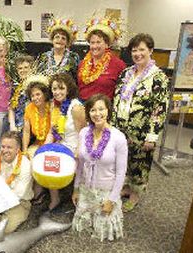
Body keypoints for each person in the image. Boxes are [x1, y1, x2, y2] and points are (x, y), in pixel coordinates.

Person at [112, 33, 169, 212]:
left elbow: (160, 108)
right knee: (124, 160)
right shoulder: (126, 73)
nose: (137, 54)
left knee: (140, 163)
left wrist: (152, 136)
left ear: (150, 50)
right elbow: (116, 100)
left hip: (142, 132)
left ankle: (135, 194)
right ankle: (126, 187)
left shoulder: (158, 77)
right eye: (134, 50)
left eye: (141, 49)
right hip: (121, 128)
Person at [72, 94, 128, 241]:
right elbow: (80, 165)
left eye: (101, 109)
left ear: (108, 110)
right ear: (88, 113)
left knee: (103, 232)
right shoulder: (84, 133)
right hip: (86, 189)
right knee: (81, 229)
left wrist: (112, 200)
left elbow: (121, 173)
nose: (97, 114)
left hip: (106, 192)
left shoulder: (118, 138)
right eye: (93, 110)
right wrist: (76, 188)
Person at [0, 131, 34, 241]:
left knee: (5, 230)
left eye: (9, 147)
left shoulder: (25, 166)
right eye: (3, 146)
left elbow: (18, 195)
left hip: (18, 203)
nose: (4, 151)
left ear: (18, 149)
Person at [44, 73, 86, 211]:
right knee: (47, 160)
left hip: (75, 148)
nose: (57, 92)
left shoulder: (76, 107)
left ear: (68, 89)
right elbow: (51, 131)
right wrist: (45, 147)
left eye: (61, 88)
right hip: (61, 144)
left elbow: (84, 134)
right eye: (54, 89)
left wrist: (77, 153)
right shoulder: (54, 105)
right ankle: (55, 198)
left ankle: (78, 196)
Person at [22, 75, 54, 209]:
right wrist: (24, 150)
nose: (35, 98)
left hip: (53, 143)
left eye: (38, 94)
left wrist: (45, 149)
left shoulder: (52, 107)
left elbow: (54, 131)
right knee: (27, 160)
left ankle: (44, 193)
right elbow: (26, 131)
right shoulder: (29, 108)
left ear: (44, 94)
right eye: (32, 96)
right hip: (38, 143)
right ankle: (28, 193)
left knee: (40, 159)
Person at [78, 17, 126, 101]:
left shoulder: (118, 65)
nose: (95, 46)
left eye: (98, 42)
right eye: (92, 43)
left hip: (103, 110)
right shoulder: (82, 63)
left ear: (107, 44)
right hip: (82, 108)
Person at [8, 54, 33, 134]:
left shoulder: (36, 85)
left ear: (32, 68)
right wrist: (12, 125)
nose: (23, 70)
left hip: (32, 127)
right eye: (20, 68)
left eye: (26, 67)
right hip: (17, 127)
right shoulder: (15, 87)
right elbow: (11, 108)